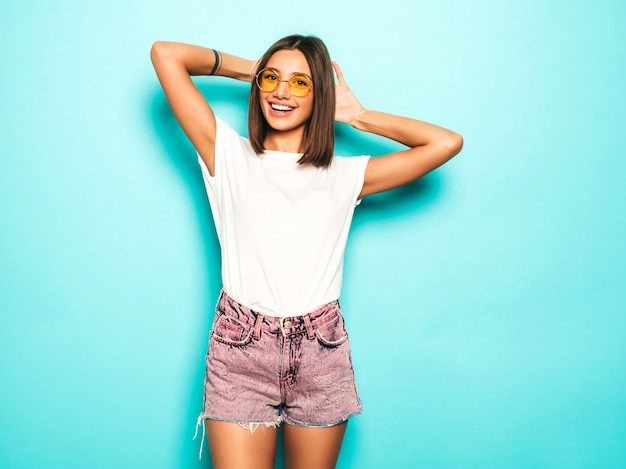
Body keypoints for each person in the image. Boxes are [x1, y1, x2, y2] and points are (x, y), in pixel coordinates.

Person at [150, 34, 462, 469]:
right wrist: (254, 71)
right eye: (273, 79)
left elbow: (446, 143)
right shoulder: (227, 154)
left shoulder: (345, 175)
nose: (281, 92)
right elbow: (166, 55)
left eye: (300, 83)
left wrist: (362, 117)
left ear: (320, 95)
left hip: (320, 351)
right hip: (241, 348)